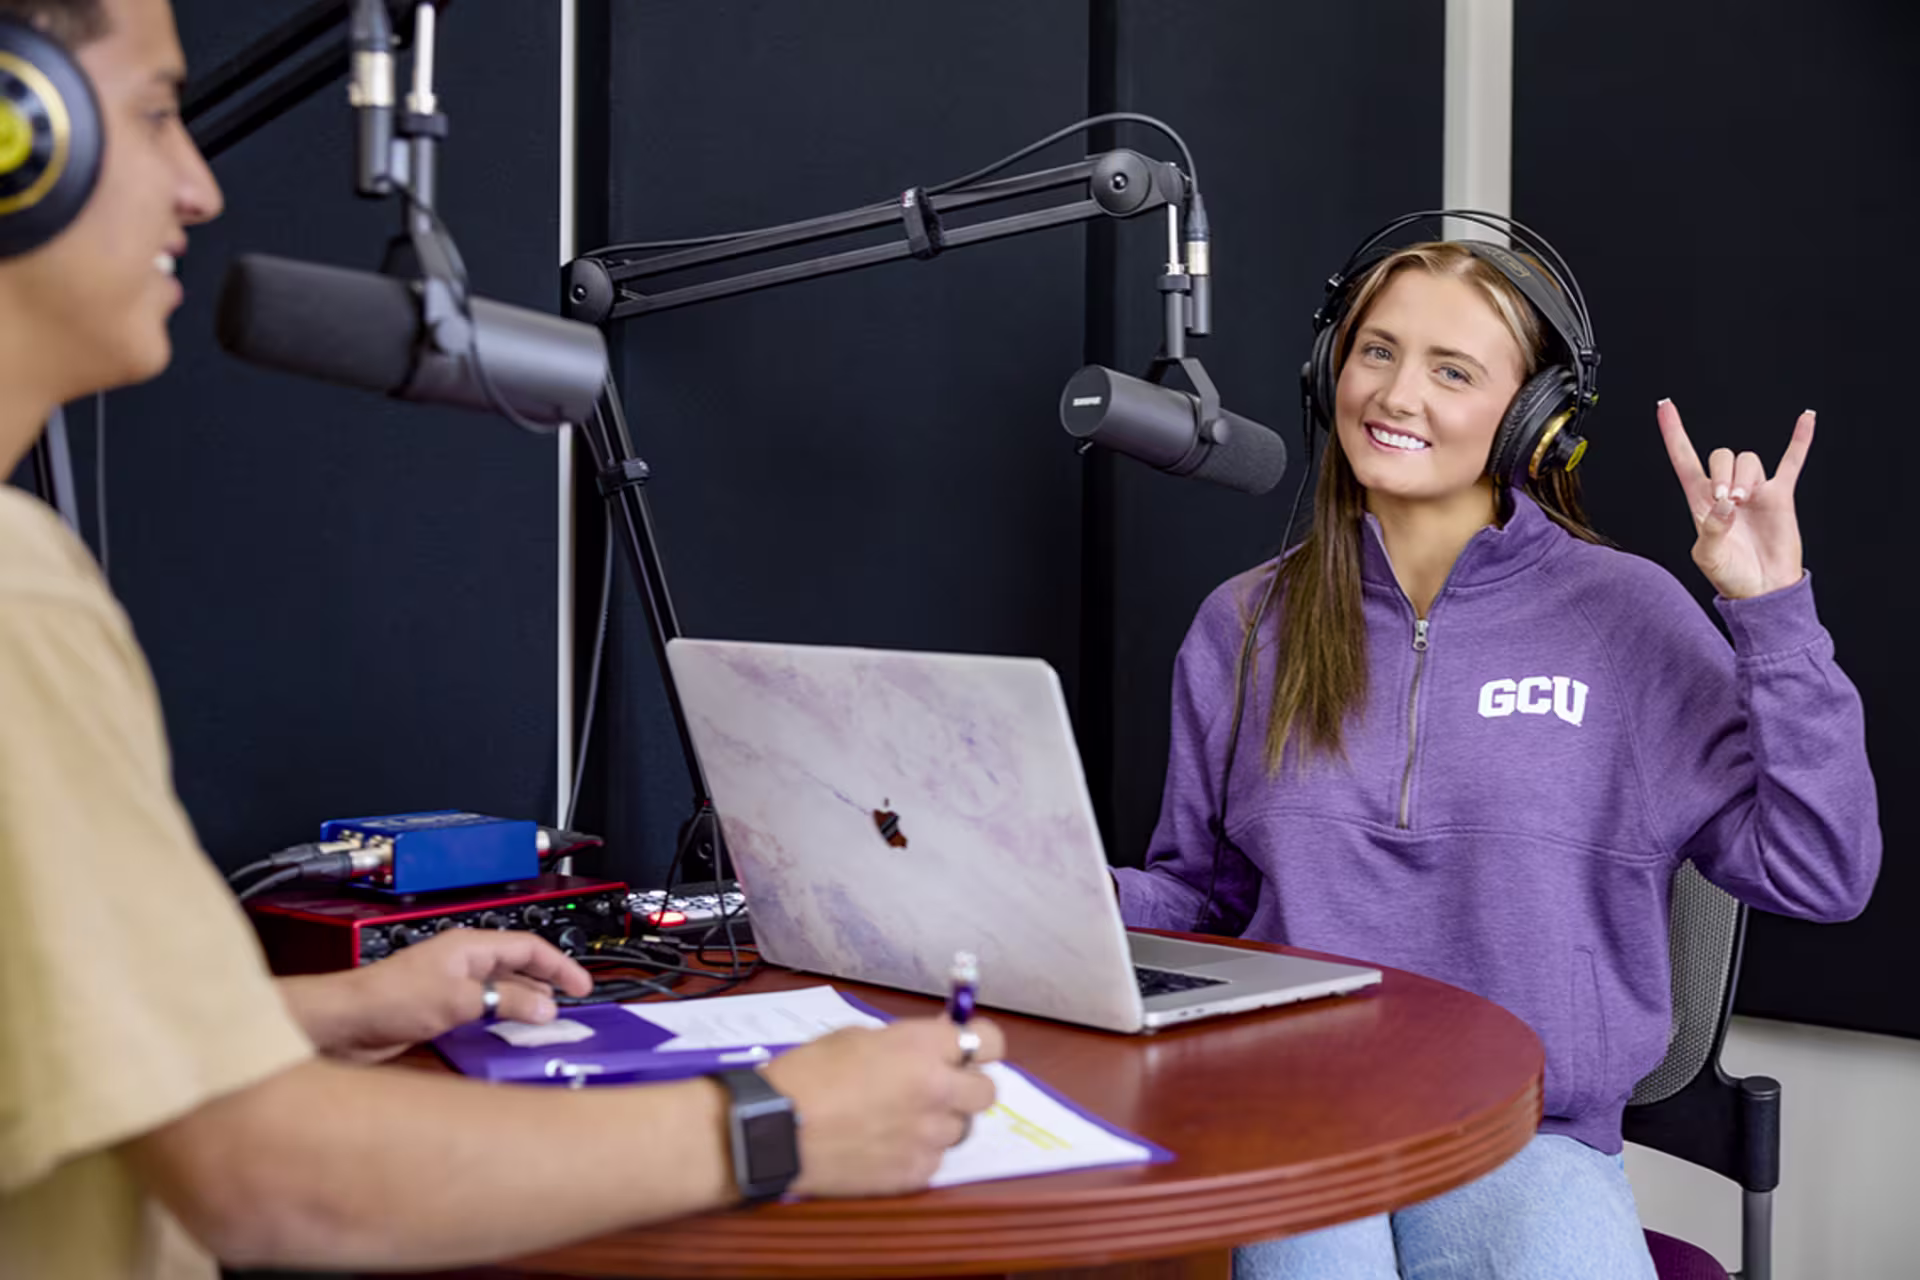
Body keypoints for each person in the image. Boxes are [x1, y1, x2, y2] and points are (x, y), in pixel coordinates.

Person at [0, 2, 1004, 1277]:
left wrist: (326, 1006)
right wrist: (786, 1122)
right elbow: (276, 1179)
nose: (199, 187)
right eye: (154, 114)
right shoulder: (17, 596)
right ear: (17, 133)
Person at [1114, 228, 1881, 1278]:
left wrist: (1774, 617)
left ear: (1535, 415)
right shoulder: (1245, 623)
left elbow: (1820, 871)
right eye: (1374, 350)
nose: (1394, 394)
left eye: (1452, 369)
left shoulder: (1628, 619)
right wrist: (1032, 883)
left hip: (1536, 1130)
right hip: (1303, 1113)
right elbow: (1199, 900)